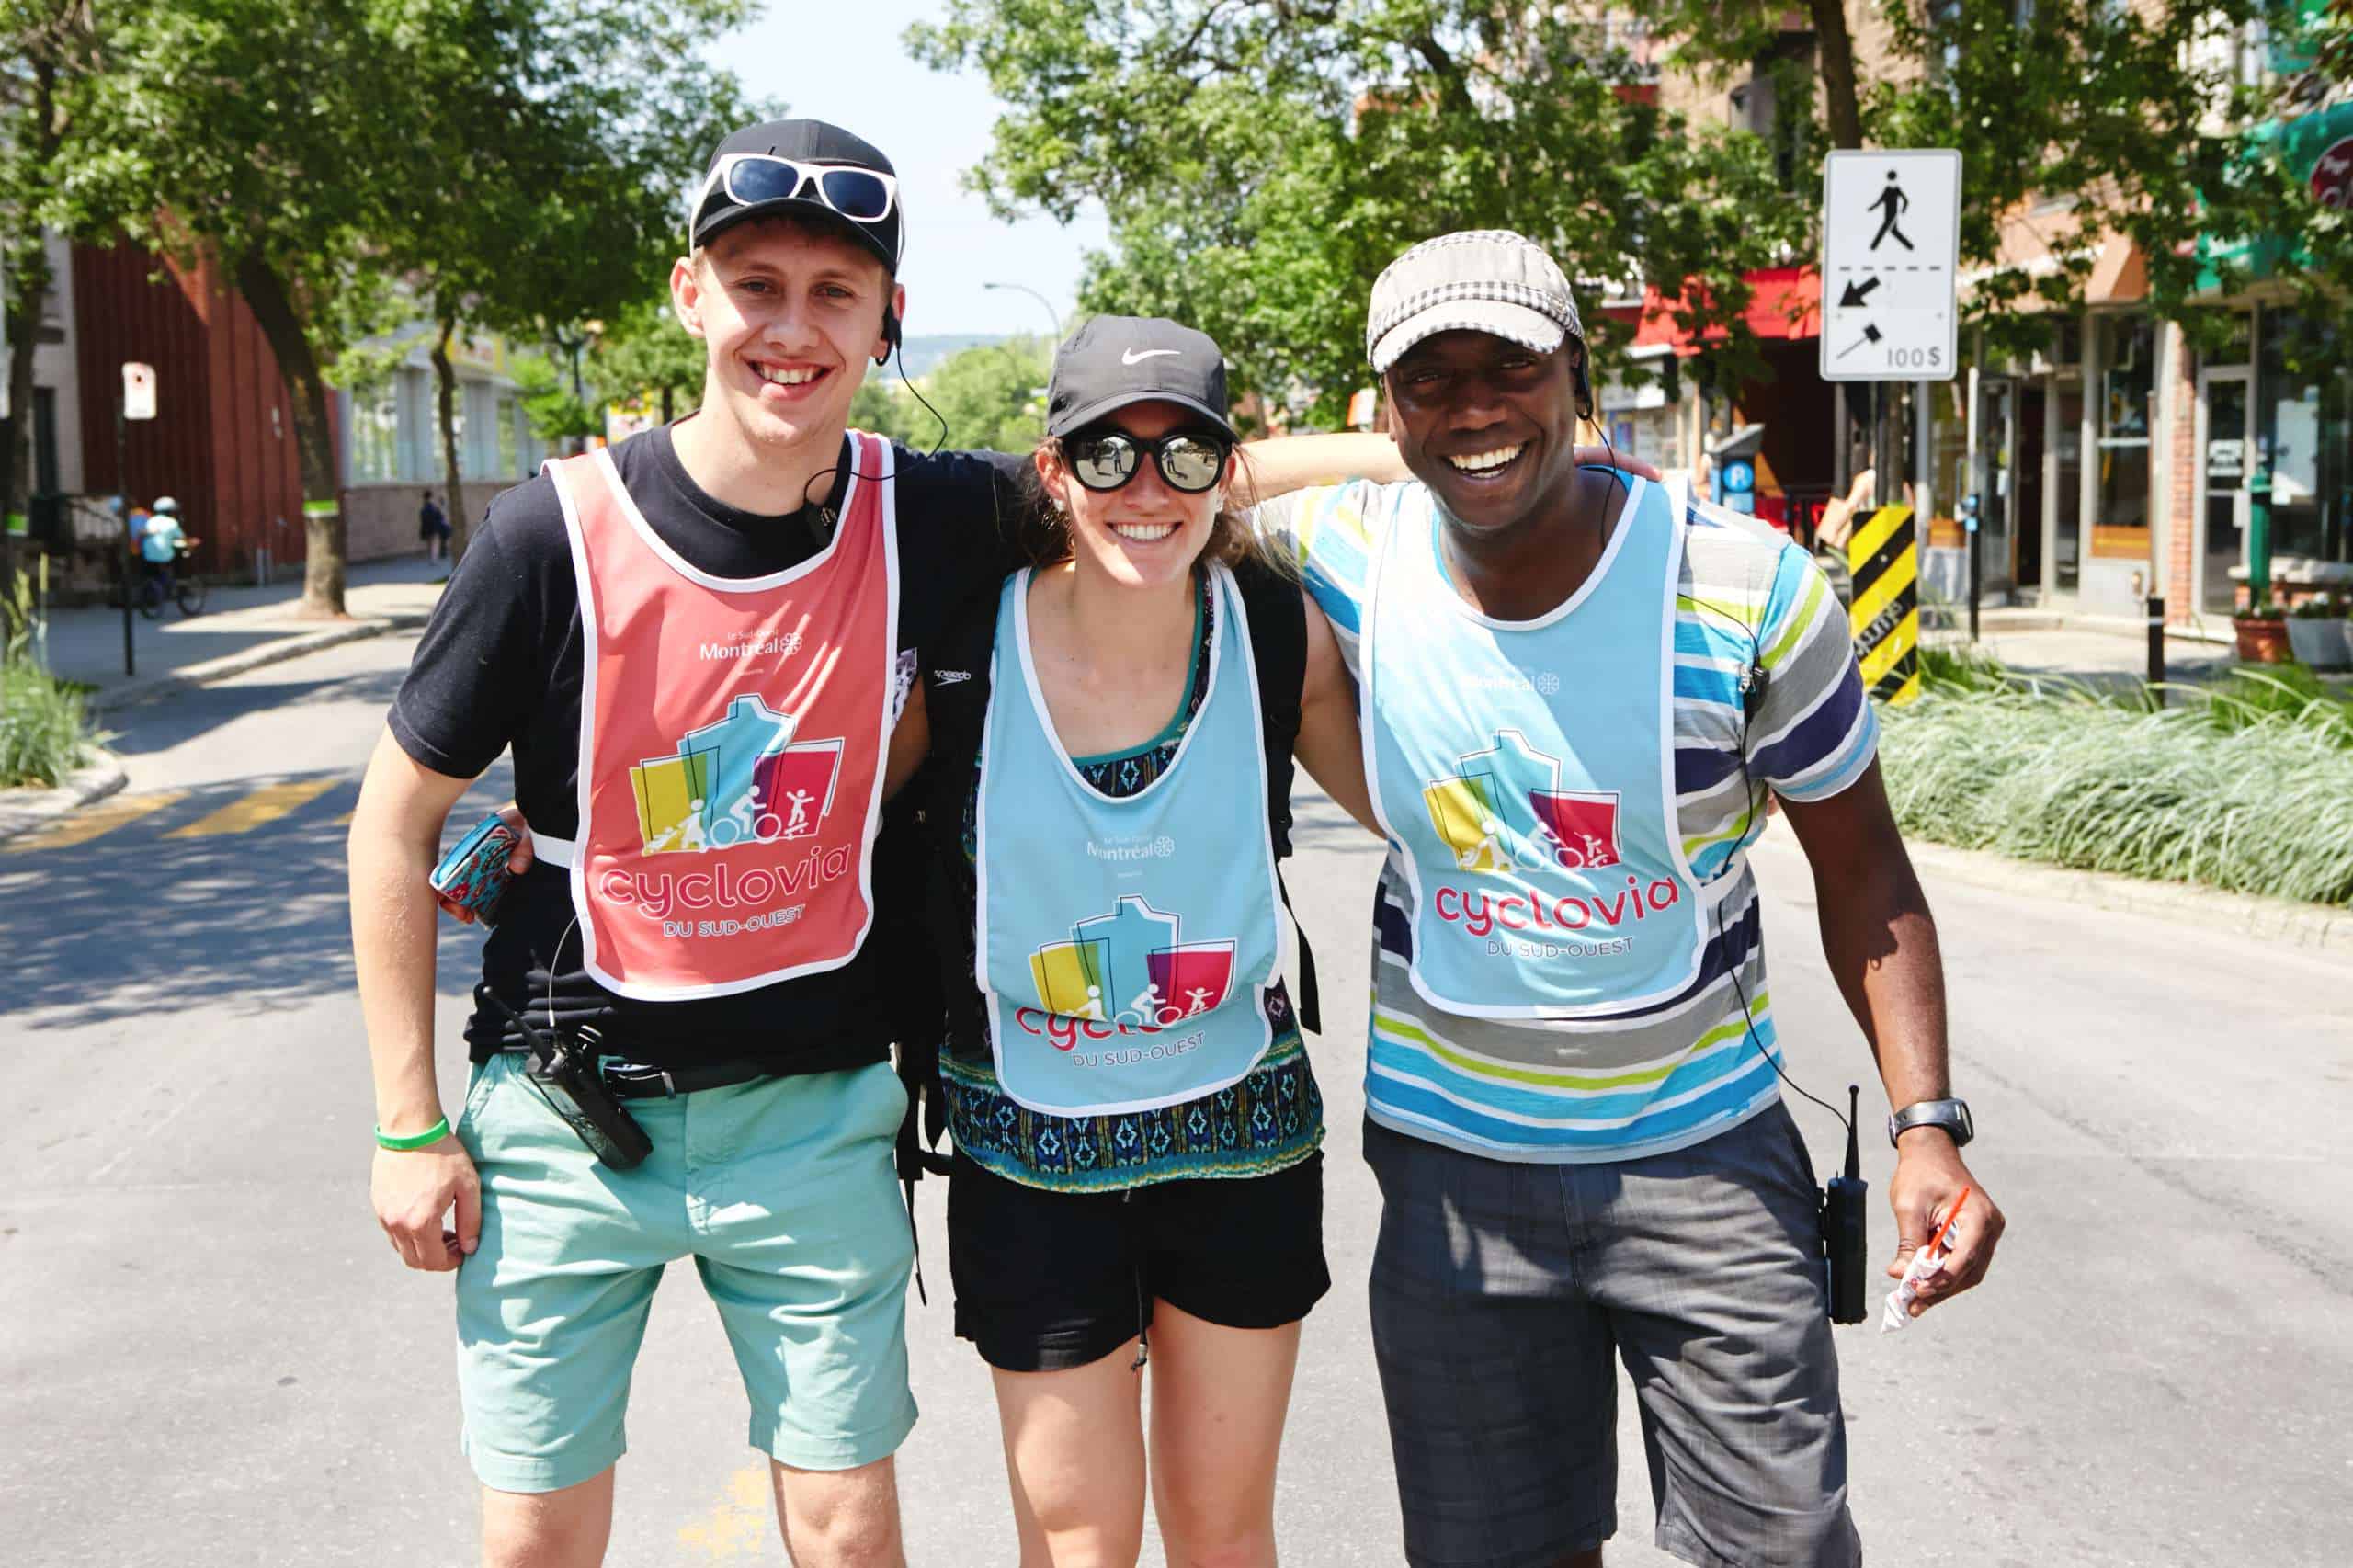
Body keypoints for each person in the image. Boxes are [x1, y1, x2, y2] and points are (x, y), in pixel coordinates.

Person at [347, 116, 1438, 1568]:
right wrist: (408, 1121)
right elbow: (392, 820)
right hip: (569, 1103)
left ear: (887, 319)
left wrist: (1442, 450)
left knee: (854, 1537)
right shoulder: (550, 534)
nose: (793, 329)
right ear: (690, 294)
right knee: (533, 1541)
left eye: (834, 294)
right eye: (757, 286)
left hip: (815, 1109)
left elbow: (1165, 480)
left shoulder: (925, 511)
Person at [1252, 231, 2006, 1568]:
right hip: (1453, 1176)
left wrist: (1926, 1126)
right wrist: (1420, 447)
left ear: (1580, 376)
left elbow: (1866, 871)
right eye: (1429, 380)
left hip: (1705, 1159)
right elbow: (1179, 476)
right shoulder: (1344, 549)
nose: (1474, 406)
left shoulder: (1746, 588)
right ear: (1382, 406)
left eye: (1512, 369)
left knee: (1779, 1549)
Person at [897, 316, 1374, 1568]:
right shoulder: (965, 650)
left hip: (1241, 1134)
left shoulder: (1276, 631)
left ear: (1228, 471)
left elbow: (1414, 810)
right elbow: (830, 815)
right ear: (1052, 473)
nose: (1147, 489)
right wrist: (557, 830)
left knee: (1223, 1536)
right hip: (1029, 1148)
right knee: (1078, 1542)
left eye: (1185, 455)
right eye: (1108, 454)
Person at [142, 497, 188, 586]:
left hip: (148, 557)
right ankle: (179, 581)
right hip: (166, 557)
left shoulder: (150, 520)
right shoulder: (172, 522)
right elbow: (182, 538)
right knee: (180, 556)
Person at [418, 489, 449, 561]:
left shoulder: (424, 508)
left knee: (430, 543)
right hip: (434, 528)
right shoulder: (433, 508)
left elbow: (423, 519)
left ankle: (432, 557)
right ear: (430, 497)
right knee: (434, 543)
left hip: (426, 528)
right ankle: (433, 558)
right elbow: (440, 516)